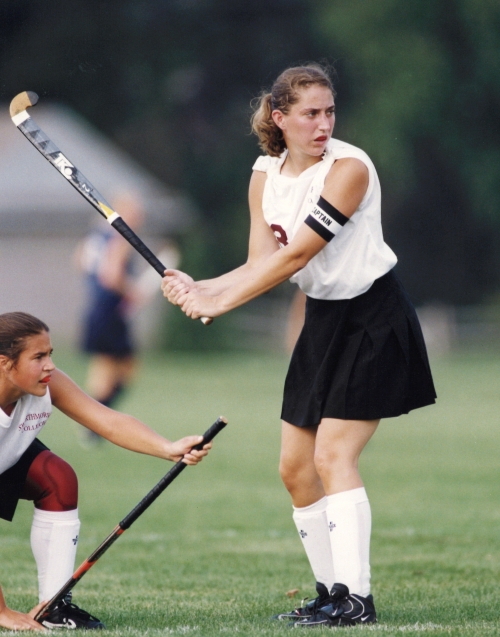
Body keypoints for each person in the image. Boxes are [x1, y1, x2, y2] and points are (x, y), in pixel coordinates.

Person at [161, 64, 436, 628]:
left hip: (373, 318)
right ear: (280, 118)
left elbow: (295, 257)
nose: (323, 124)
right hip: (322, 322)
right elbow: (260, 261)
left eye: (329, 111)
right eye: (310, 113)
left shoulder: (349, 169)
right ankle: (329, 593)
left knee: (333, 456)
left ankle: (357, 598)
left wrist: (219, 303)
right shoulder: (264, 173)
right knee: (294, 468)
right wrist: (200, 285)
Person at [0, 311, 211, 630]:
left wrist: (168, 448)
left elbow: (107, 421)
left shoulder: (48, 383)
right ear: (5, 363)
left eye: (51, 354)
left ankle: (55, 606)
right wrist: (1, 611)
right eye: (39, 356)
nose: (50, 365)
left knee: (58, 478)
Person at [76, 193, 178, 446]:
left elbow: (80, 261)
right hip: (110, 311)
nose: (139, 218)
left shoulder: (96, 236)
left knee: (105, 367)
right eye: (135, 212)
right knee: (125, 368)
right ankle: (95, 426)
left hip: (97, 309)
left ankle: (94, 425)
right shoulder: (119, 235)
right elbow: (111, 275)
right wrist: (132, 291)